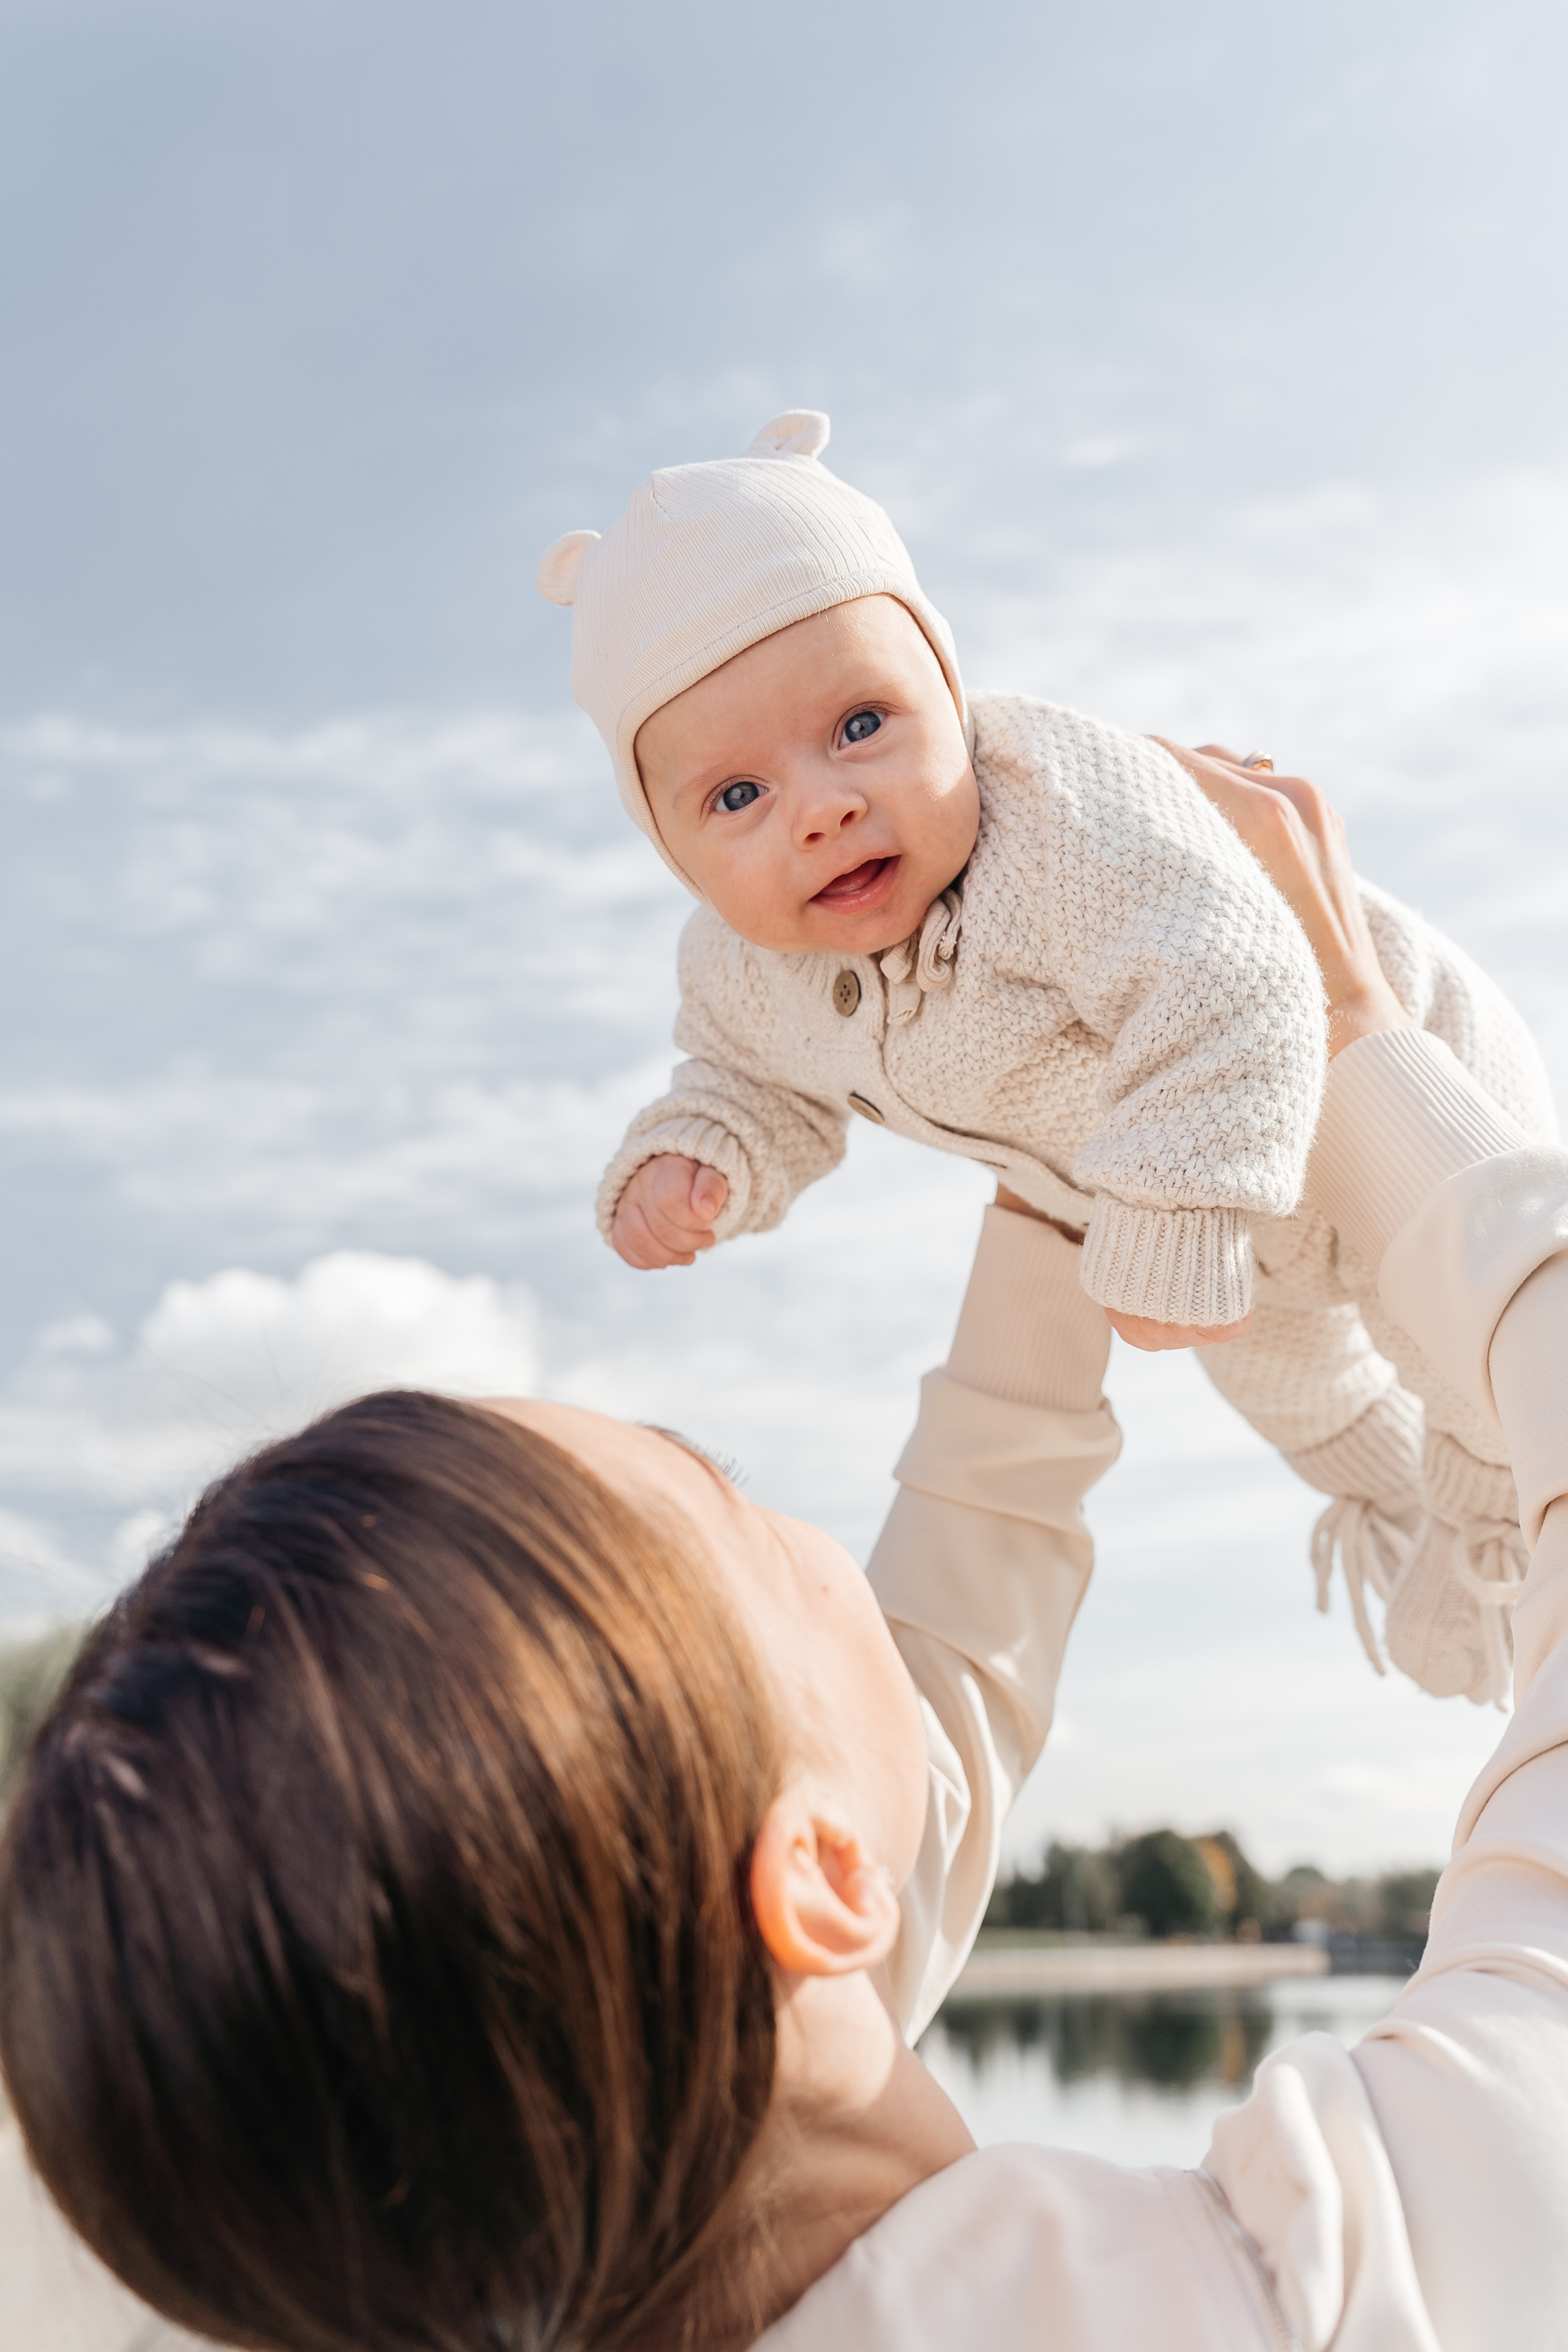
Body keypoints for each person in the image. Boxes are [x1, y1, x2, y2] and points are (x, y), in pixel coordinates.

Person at [2, 749, 1567, 2351]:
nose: (819, 1543)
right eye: (729, 1494)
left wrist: (1051, 1184)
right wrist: (1363, 1042)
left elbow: (906, 1732)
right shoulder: (1307, 2289)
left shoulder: (603, 2209)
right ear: (816, 1881)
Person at [538, 412, 1555, 1704]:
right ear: (672, 855)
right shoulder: (739, 972)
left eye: (860, 723)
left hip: (1378, 1096)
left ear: (951, 700)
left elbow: (1225, 968)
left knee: (1464, 1364)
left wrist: (1174, 1204)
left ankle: (1483, 1540)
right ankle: (1393, 1509)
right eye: (735, 798)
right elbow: (750, 1082)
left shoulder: (1056, 809)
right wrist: (700, 1155)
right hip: (1197, 1215)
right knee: (1289, 1389)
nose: (822, 805)